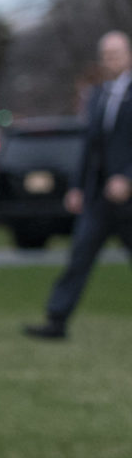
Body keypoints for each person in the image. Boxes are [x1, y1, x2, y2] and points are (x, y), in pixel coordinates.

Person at [24, 30, 132, 340]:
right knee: (79, 257)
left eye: (117, 53)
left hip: (128, 200)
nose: (111, 59)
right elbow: (89, 146)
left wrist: (127, 177)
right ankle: (56, 320)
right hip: (98, 197)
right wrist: (77, 186)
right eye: (106, 54)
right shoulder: (97, 95)